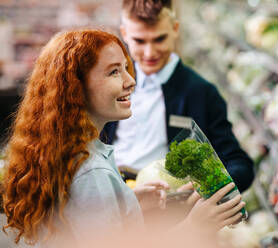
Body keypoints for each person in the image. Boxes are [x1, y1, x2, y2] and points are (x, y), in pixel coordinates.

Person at [2, 29, 245, 247]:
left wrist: (128, 202)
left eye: (126, 68)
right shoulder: (92, 172)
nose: (131, 81)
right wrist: (194, 227)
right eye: (114, 72)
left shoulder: (67, 149)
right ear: (76, 88)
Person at [102, 0, 255, 193]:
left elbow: (238, 163)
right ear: (125, 34)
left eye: (159, 39)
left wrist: (205, 190)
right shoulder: (109, 82)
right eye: (139, 41)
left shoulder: (201, 92)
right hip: (111, 196)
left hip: (166, 207)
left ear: (175, 29)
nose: (150, 52)